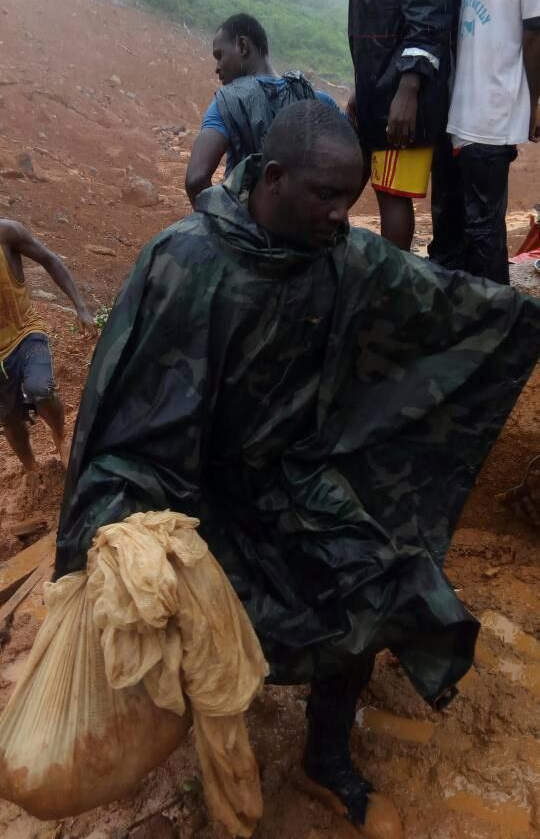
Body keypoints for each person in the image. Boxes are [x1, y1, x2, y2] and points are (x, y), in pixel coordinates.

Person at [55, 102, 539, 837]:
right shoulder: (184, 264)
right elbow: (123, 413)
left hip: (293, 480)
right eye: (326, 197)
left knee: (375, 579)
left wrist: (527, 310)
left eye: (350, 200)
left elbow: (444, 301)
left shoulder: (338, 254)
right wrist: (119, 527)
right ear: (272, 178)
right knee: (175, 618)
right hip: (187, 495)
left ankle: (325, 756)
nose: (343, 216)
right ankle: (204, 738)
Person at [328, 0, 451, 251]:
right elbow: (374, 17)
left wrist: (409, 87)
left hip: (404, 92)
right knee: (340, 186)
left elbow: (427, 4)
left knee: (391, 195)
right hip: (375, 88)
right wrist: (361, 88)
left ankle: (392, 294)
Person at [444, 0, 540, 284]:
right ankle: (476, 321)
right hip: (459, 107)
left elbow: (536, 30)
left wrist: (536, 101)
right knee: (462, 227)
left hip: (495, 104)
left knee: (483, 230)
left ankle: (498, 330)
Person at [185, 13, 338, 204]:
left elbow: (196, 180)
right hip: (304, 227)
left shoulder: (227, 103)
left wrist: (229, 224)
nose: (217, 67)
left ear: (242, 46)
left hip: (247, 228)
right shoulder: (318, 101)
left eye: (219, 55)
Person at [0, 219, 95, 475]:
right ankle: (30, 467)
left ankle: (61, 435)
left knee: (40, 388)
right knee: (8, 419)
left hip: (26, 333)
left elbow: (50, 259)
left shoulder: (6, 233)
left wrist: (81, 307)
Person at [428, 0, 476, 268]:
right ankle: (448, 271)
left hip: (478, 87)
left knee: (474, 201)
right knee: (447, 187)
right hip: (451, 83)